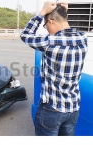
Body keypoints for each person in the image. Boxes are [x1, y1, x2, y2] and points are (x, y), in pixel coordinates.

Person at [20, 0, 88, 136]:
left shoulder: (49, 42)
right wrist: (63, 13)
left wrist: (42, 12)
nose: (47, 30)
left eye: (46, 25)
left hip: (52, 109)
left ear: (50, 22)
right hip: (73, 107)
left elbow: (25, 35)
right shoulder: (83, 39)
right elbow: (66, 30)